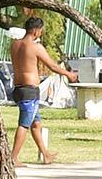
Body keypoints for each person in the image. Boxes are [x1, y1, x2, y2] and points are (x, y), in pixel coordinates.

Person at [8, 17, 63, 165]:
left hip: (18, 89)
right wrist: (69, 74)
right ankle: (13, 158)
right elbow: (53, 66)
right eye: (41, 30)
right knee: (24, 124)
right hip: (29, 91)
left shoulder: (15, 45)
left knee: (36, 123)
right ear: (36, 30)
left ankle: (45, 155)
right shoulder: (35, 47)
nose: (41, 33)